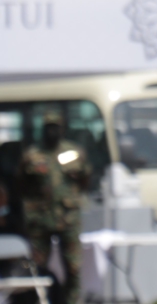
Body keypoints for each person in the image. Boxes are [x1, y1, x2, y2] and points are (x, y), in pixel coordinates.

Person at [20, 112, 90, 304]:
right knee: (37, 267)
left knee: (73, 267)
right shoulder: (32, 155)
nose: (52, 131)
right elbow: (22, 185)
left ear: (62, 129)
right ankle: (39, 300)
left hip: (68, 219)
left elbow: (85, 179)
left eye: (55, 127)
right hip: (40, 220)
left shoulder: (74, 153)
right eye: (48, 127)